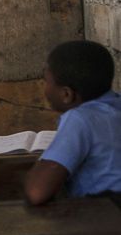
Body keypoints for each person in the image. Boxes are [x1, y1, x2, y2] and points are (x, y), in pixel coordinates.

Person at [25, 40, 121, 205]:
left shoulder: (80, 119)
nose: (45, 88)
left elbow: (37, 192)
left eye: (46, 81)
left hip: (109, 216)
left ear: (66, 94)